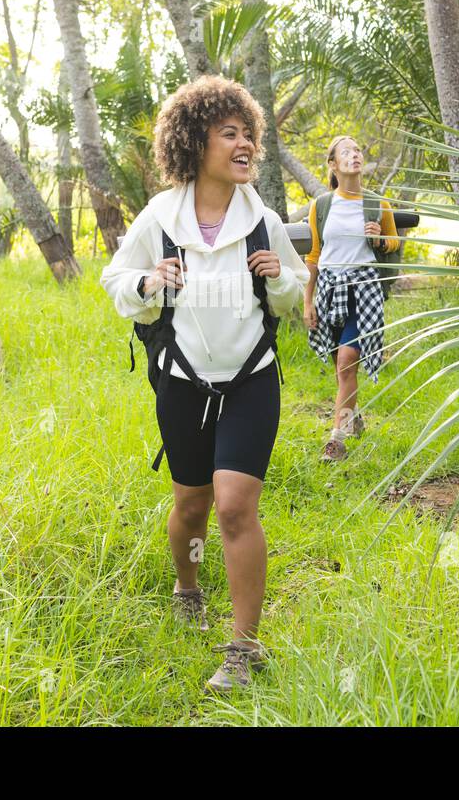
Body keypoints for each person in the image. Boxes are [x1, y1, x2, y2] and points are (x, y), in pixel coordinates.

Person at [100, 75, 308, 692]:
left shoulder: (265, 220)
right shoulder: (160, 217)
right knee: (191, 507)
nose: (244, 143)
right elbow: (117, 281)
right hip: (182, 382)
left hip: (251, 379)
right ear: (195, 142)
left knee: (235, 507)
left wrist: (277, 276)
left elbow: (294, 293)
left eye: (249, 134)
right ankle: (188, 584)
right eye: (229, 133)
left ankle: (243, 648)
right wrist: (148, 281)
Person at [302, 136, 400, 462]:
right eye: (346, 152)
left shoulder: (377, 204)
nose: (354, 155)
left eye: (357, 150)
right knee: (342, 368)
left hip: (364, 291)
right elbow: (314, 256)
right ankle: (355, 417)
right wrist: (307, 301)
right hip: (329, 289)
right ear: (333, 164)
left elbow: (394, 243)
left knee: (346, 363)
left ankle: (337, 439)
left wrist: (380, 239)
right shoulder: (322, 206)